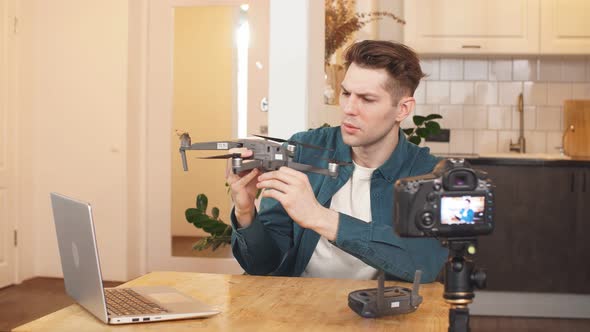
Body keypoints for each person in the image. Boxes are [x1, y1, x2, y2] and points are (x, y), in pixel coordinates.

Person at [226, 40, 447, 283]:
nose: (349, 108)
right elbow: (263, 265)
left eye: (367, 99)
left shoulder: (426, 172)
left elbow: (424, 264)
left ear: (403, 109)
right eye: (346, 93)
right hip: (299, 307)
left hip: (380, 313)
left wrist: (320, 217)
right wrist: (246, 213)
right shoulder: (301, 151)